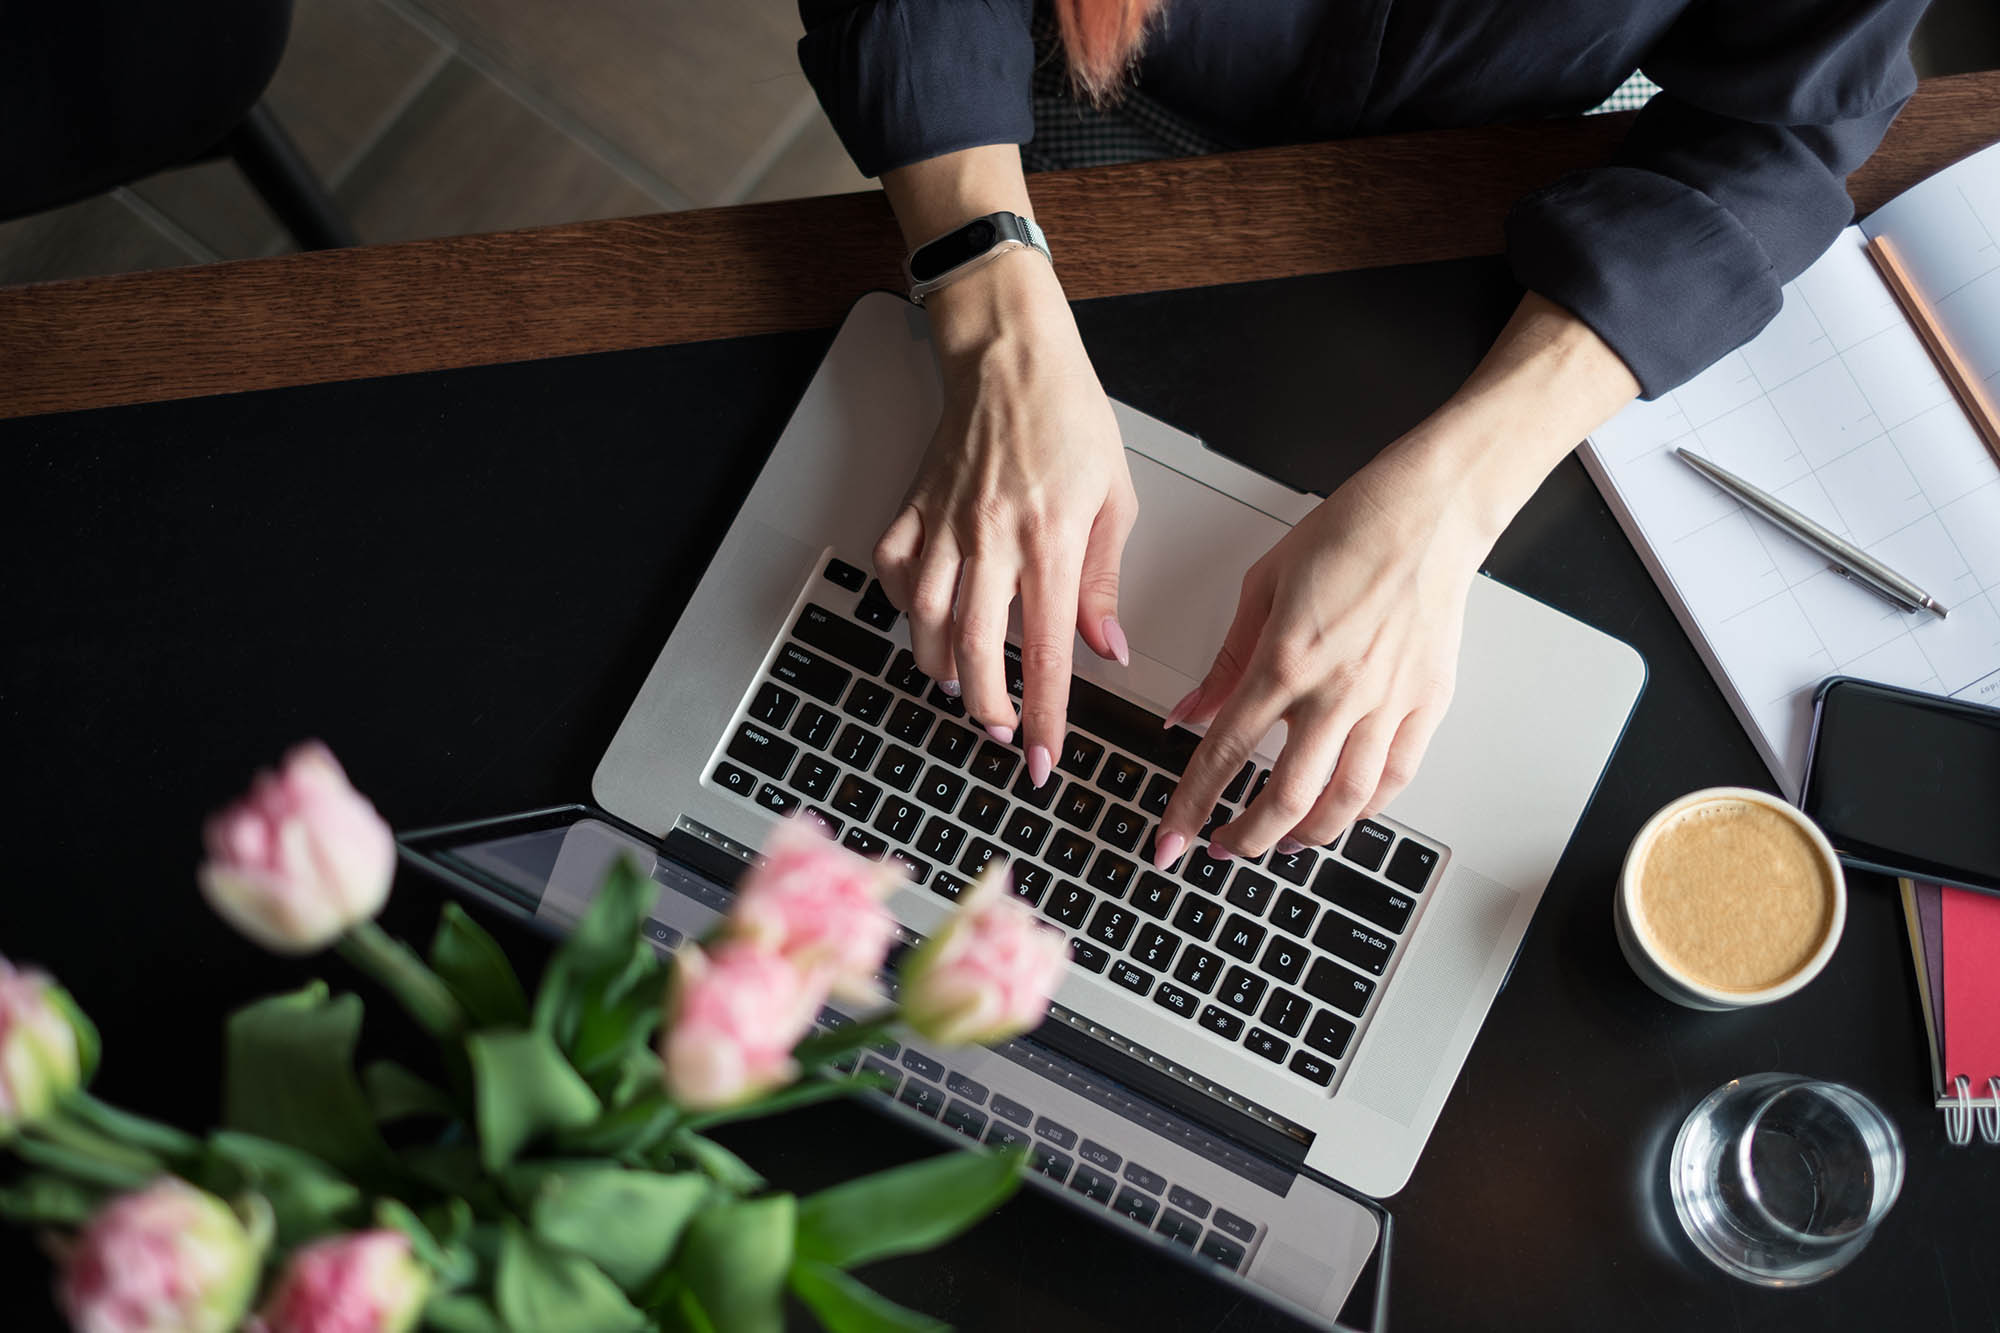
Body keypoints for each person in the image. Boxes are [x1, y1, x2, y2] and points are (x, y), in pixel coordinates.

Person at [795, 0, 1928, 869]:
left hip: (1488, 191)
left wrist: (1448, 506)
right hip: (1077, 90)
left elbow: (1778, 124)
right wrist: (989, 300)